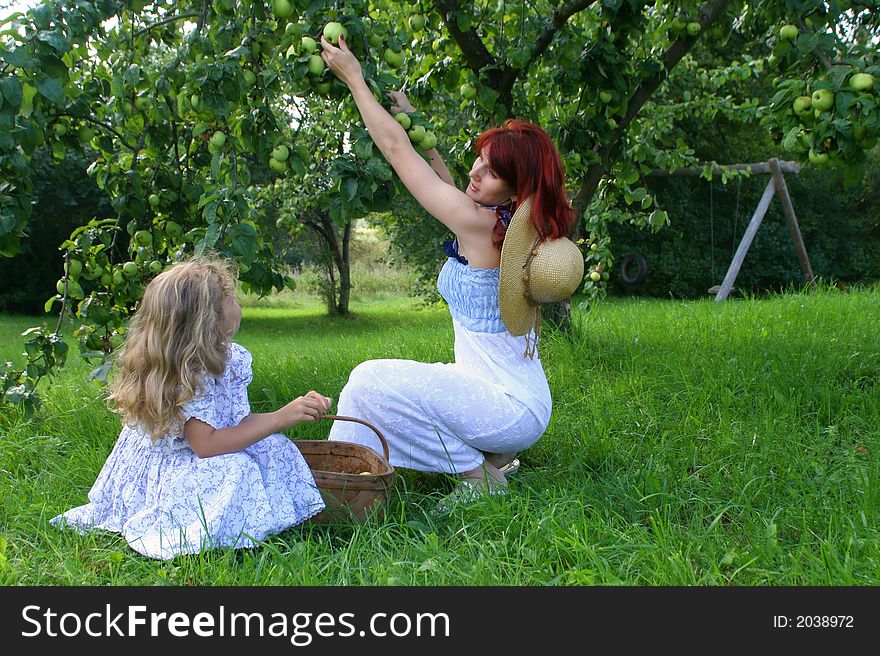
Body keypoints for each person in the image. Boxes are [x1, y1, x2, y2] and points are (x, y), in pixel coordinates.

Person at [318, 35, 584, 507]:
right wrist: (415, 119)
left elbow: (400, 153)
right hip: (507, 401)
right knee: (378, 394)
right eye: (479, 159)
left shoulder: (482, 227)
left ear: (514, 188)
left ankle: (478, 475)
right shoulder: (503, 226)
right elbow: (447, 183)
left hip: (507, 406)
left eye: (492, 171)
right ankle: (349, 480)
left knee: (368, 378)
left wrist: (355, 80)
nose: (476, 172)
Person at [51, 257, 331, 559]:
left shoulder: (227, 359)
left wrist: (292, 411)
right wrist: (278, 418)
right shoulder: (190, 375)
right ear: (208, 320)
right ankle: (202, 527)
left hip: (200, 450)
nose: (238, 306)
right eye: (231, 300)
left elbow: (237, 422)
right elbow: (206, 445)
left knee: (272, 447)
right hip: (179, 466)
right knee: (234, 468)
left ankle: (259, 518)